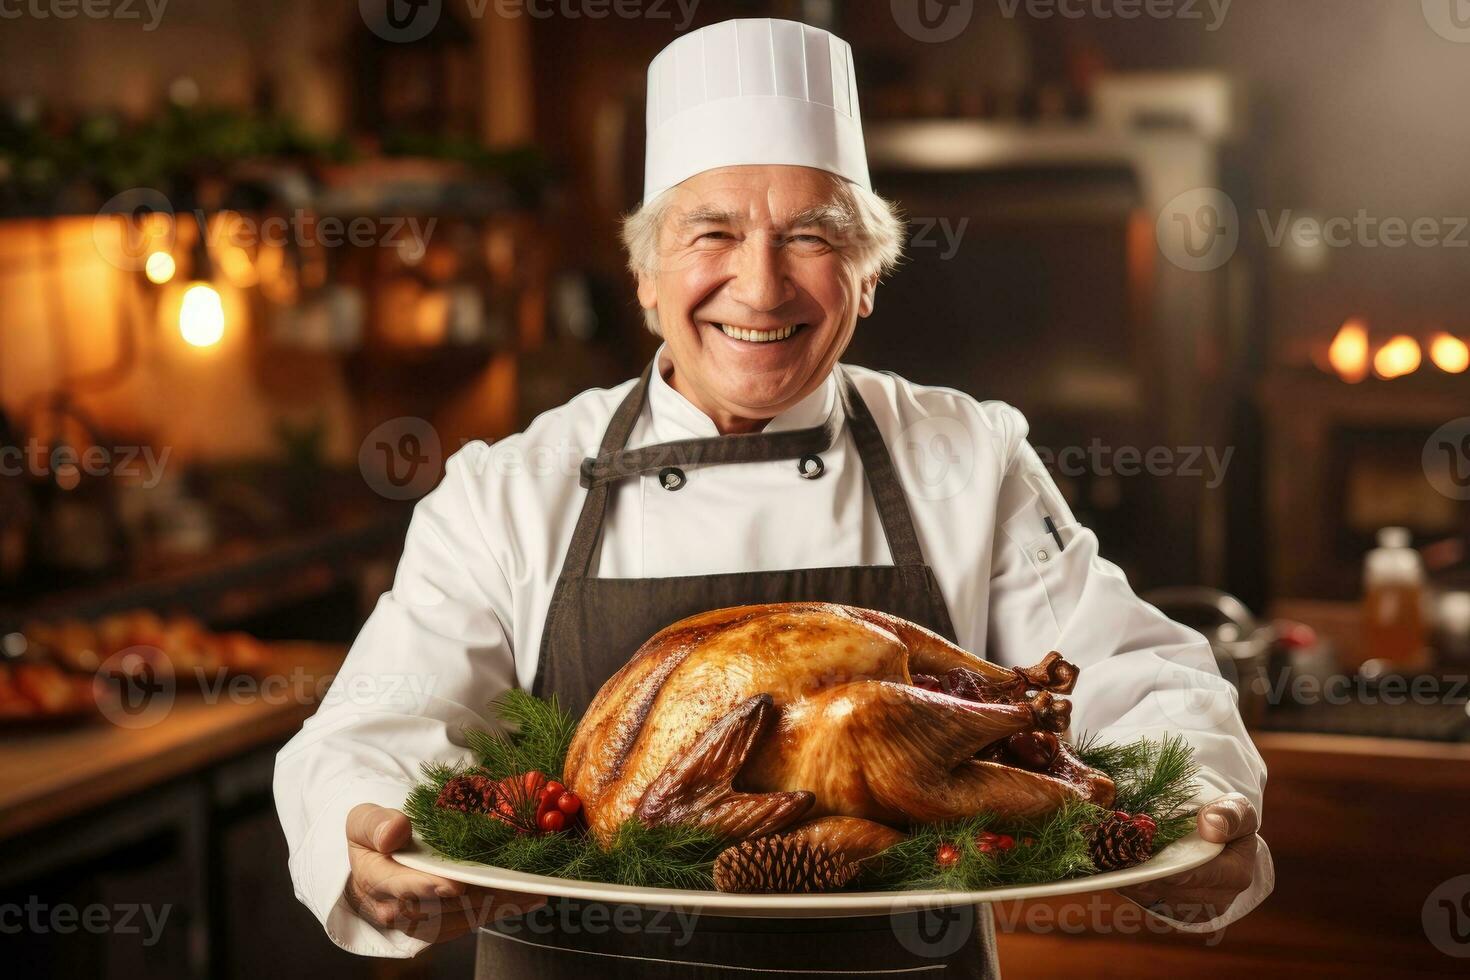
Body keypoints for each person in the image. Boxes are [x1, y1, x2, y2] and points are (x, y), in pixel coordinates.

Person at [274, 18, 1272, 978]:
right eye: (713, 232)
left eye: (808, 236)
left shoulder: (966, 454)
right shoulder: (510, 489)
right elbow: (377, 729)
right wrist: (368, 836)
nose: (760, 287)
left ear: (867, 275)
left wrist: (1204, 813)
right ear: (645, 274)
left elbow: (1127, 674)